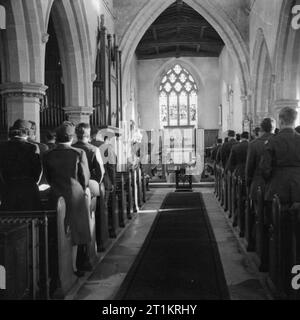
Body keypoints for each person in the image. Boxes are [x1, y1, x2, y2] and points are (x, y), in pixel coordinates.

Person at [43, 121, 91, 277]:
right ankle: (75, 267)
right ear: (72, 138)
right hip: (75, 195)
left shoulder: (48, 154)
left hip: (56, 195)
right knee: (76, 232)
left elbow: (48, 178)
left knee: (59, 231)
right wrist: (81, 189)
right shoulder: (78, 153)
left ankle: (60, 268)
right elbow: (85, 177)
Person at [245, 118, 274, 257]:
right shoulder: (276, 141)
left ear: (261, 129)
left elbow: (249, 167)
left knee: (257, 215)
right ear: (273, 128)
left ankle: (255, 245)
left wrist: (248, 183)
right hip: (274, 186)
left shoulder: (255, 144)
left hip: (258, 185)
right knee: (272, 218)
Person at [0, 119, 42, 211]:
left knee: (10, 221)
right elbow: (37, 171)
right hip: (29, 189)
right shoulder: (32, 147)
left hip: (9, 189)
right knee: (31, 219)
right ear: (26, 132)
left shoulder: (2, 147)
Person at [261, 107, 300, 204]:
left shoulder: (272, 141)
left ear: (281, 121)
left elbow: (264, 167)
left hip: (277, 187)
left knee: (275, 217)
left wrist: (271, 180)